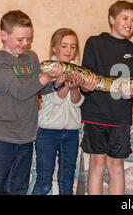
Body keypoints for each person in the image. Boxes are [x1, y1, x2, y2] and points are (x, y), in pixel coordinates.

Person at [0, 10, 62, 195]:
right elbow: (21, 92)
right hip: (0, 136)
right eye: (20, 39)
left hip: (26, 136)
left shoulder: (31, 57)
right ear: (3, 35)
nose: (25, 44)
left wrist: (57, 82)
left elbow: (39, 89)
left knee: (17, 189)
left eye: (28, 39)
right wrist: (46, 76)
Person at [80, 0, 133, 195]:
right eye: (124, 18)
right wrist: (85, 85)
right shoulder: (94, 43)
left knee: (117, 166)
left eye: (132, 19)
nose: (129, 23)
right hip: (95, 115)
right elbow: (84, 82)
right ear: (111, 19)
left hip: (120, 117)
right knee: (97, 164)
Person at [31, 28, 97, 195]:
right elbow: (55, 99)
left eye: (73, 46)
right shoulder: (48, 69)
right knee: (44, 180)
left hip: (71, 133)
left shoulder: (79, 70)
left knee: (67, 181)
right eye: (64, 46)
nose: (69, 50)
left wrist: (74, 88)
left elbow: (77, 102)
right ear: (54, 48)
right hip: (47, 132)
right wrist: (66, 83)